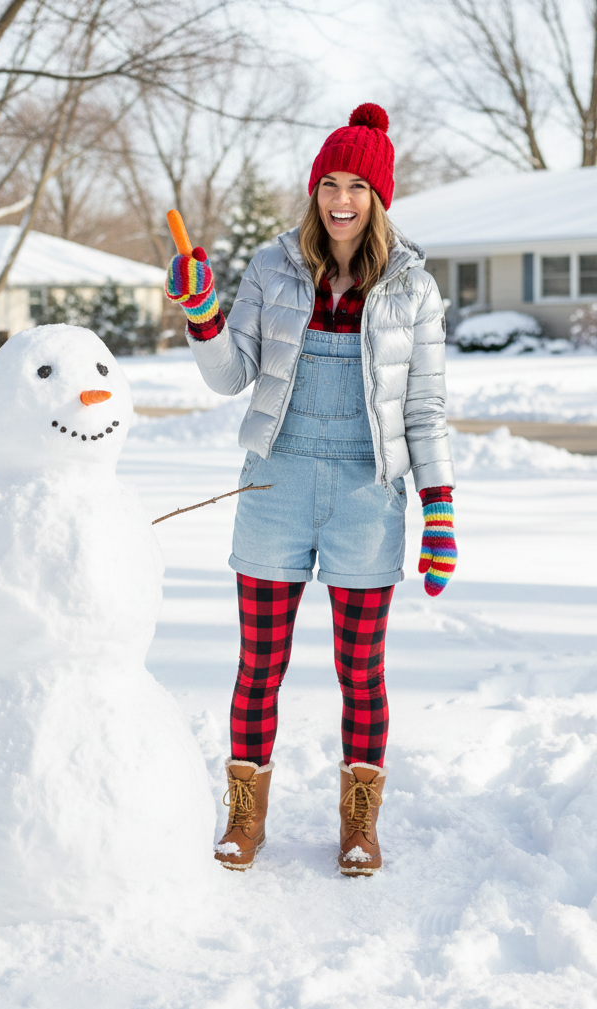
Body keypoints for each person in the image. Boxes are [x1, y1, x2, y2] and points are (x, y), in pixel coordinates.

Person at [164, 103, 457, 875]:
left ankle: (359, 822)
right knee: (259, 662)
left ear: (379, 196)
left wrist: (441, 509)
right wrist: (202, 316)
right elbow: (233, 377)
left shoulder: (411, 288)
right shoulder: (272, 268)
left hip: (368, 490)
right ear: (313, 189)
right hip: (277, 481)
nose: (341, 198)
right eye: (329, 181)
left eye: (358, 184)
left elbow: (423, 408)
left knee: (361, 670)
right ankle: (245, 815)